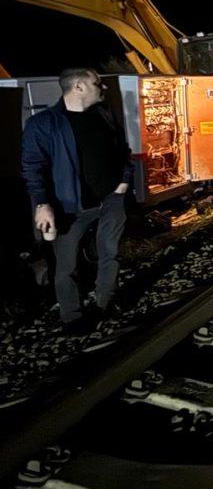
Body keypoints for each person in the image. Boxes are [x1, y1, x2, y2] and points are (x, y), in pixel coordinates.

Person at [21, 68, 133, 333]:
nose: (103, 88)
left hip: (111, 200)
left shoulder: (104, 114)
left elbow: (122, 149)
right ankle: (71, 317)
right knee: (65, 265)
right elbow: (32, 167)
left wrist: (124, 181)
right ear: (78, 87)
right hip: (71, 207)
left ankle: (105, 304)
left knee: (110, 253)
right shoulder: (44, 124)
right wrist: (41, 203)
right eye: (97, 83)